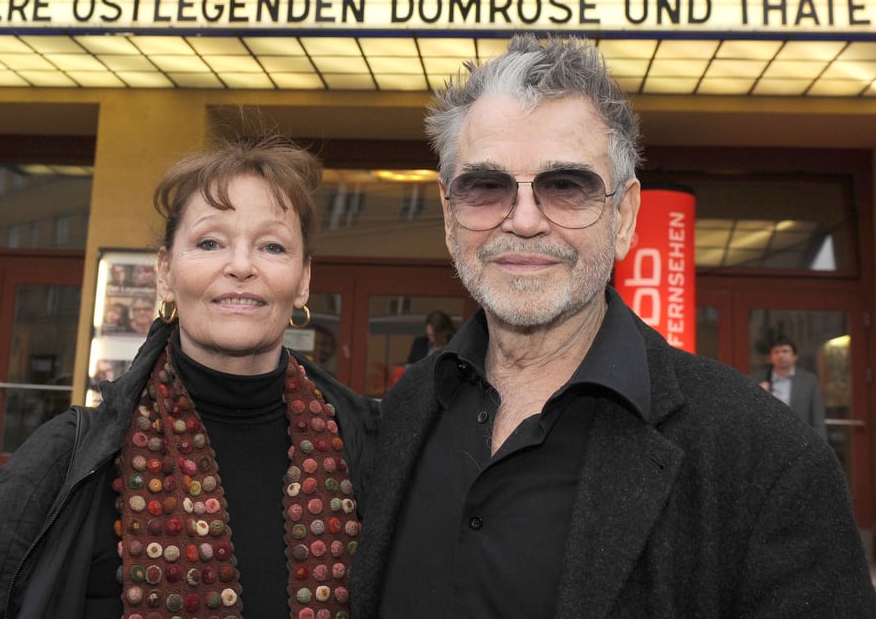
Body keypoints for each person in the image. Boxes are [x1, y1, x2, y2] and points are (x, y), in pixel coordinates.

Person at [350, 35, 875, 618]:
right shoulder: (400, 416)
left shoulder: (766, 459)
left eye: (566, 186)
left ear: (623, 217)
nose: (523, 221)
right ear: (450, 217)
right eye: (486, 187)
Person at [0, 133, 379, 619]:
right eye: (210, 242)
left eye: (272, 246)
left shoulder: (370, 449)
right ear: (165, 271)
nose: (242, 266)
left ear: (304, 279)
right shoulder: (70, 456)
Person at [759, 336, 827, 440]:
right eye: (776, 352)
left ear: (795, 356)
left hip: (800, 440)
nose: (781, 355)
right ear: (771, 356)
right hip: (768, 440)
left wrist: (821, 448)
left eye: (785, 351)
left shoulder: (809, 381)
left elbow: (817, 418)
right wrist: (760, 395)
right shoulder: (758, 380)